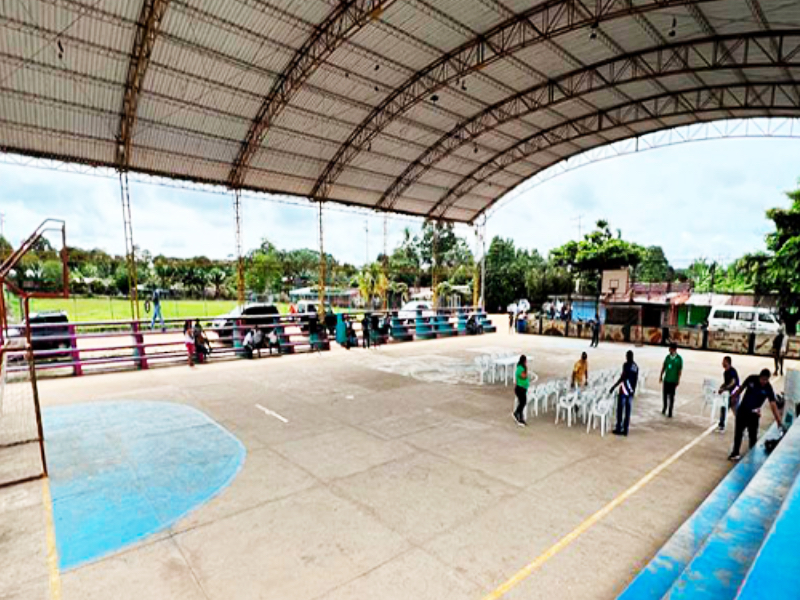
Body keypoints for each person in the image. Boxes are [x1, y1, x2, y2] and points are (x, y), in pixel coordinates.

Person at [728, 369, 785, 461]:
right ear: (759, 377)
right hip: (743, 411)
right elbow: (741, 388)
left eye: (766, 380)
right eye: (763, 379)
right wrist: (734, 396)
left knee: (753, 436)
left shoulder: (768, 388)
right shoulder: (751, 379)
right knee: (738, 433)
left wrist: (778, 420)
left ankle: (751, 455)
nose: (764, 382)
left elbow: (773, 404)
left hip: (754, 414)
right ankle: (735, 453)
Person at [609, 350, 639, 436]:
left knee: (620, 410)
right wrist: (633, 390)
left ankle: (619, 428)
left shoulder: (626, 365)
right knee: (627, 411)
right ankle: (625, 429)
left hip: (624, 390)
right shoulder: (636, 366)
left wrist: (614, 386)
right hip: (631, 391)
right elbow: (636, 380)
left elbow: (623, 377)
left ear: (628, 356)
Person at [716, 356, 740, 433]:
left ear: (728, 362)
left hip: (734, 393)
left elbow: (732, 382)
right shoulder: (725, 372)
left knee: (737, 411)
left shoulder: (732, 371)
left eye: (724, 361)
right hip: (728, 394)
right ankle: (721, 425)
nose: (722, 363)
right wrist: (722, 386)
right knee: (724, 408)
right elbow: (726, 382)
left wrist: (725, 388)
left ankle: (743, 426)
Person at [659, 343, 683, 418]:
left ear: (674, 349)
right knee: (665, 395)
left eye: (670, 348)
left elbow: (679, 370)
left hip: (673, 380)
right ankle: (664, 407)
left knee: (671, 396)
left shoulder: (679, 359)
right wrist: (661, 375)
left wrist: (678, 380)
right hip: (667, 379)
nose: (669, 350)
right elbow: (664, 366)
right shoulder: (667, 357)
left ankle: (670, 410)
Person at [512, 355, 529, 427]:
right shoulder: (520, 368)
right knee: (523, 402)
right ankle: (516, 413)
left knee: (522, 403)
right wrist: (526, 369)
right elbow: (523, 376)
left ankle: (521, 419)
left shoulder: (522, 368)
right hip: (520, 388)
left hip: (523, 388)